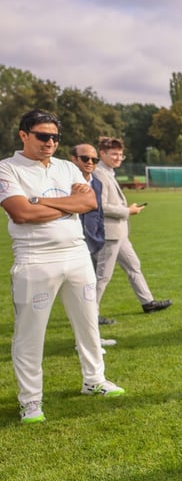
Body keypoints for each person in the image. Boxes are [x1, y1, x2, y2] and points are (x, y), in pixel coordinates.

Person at [0, 109, 125, 424]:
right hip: (35, 258)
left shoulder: (68, 167)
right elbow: (21, 213)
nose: (50, 143)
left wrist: (39, 201)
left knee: (89, 324)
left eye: (55, 137)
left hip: (76, 254)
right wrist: (67, 206)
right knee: (30, 334)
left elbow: (88, 203)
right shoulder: (7, 169)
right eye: (43, 136)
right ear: (24, 135)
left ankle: (94, 380)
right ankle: (30, 400)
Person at [93, 136, 171, 320]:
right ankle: (91, 314)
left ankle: (148, 302)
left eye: (121, 155)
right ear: (102, 153)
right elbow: (100, 206)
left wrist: (127, 210)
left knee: (134, 266)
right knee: (103, 276)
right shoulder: (99, 174)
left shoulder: (108, 172)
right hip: (110, 234)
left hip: (119, 233)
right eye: (114, 154)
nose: (118, 158)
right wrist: (128, 211)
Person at [69, 143, 116, 348]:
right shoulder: (66, 182)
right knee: (77, 297)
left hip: (92, 244)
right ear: (73, 159)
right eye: (85, 158)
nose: (90, 162)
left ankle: (91, 340)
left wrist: (98, 237)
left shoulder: (96, 182)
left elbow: (98, 213)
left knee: (88, 296)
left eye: (94, 159)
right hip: (71, 245)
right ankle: (85, 342)